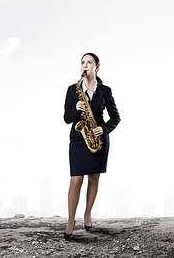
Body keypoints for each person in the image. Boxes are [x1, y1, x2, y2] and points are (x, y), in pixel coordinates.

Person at [63, 53, 120, 239]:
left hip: (98, 138)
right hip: (79, 138)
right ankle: (71, 220)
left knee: (94, 178)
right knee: (76, 180)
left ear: (97, 67)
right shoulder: (73, 90)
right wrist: (76, 110)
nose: (85, 65)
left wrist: (103, 129)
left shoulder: (105, 90)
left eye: (89, 62)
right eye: (82, 62)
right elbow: (66, 118)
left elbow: (115, 117)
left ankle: (87, 214)